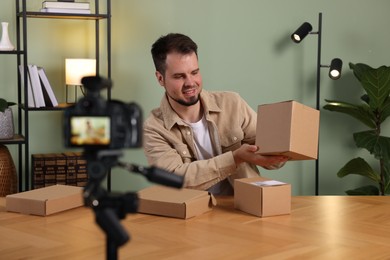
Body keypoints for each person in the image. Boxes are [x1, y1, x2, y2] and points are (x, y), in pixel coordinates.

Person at [143, 33, 288, 195]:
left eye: (194, 72)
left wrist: (279, 150)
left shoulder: (232, 103)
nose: (190, 83)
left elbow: (274, 160)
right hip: (189, 213)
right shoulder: (153, 128)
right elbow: (175, 180)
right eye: (179, 76)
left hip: (243, 205)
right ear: (160, 78)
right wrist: (235, 158)